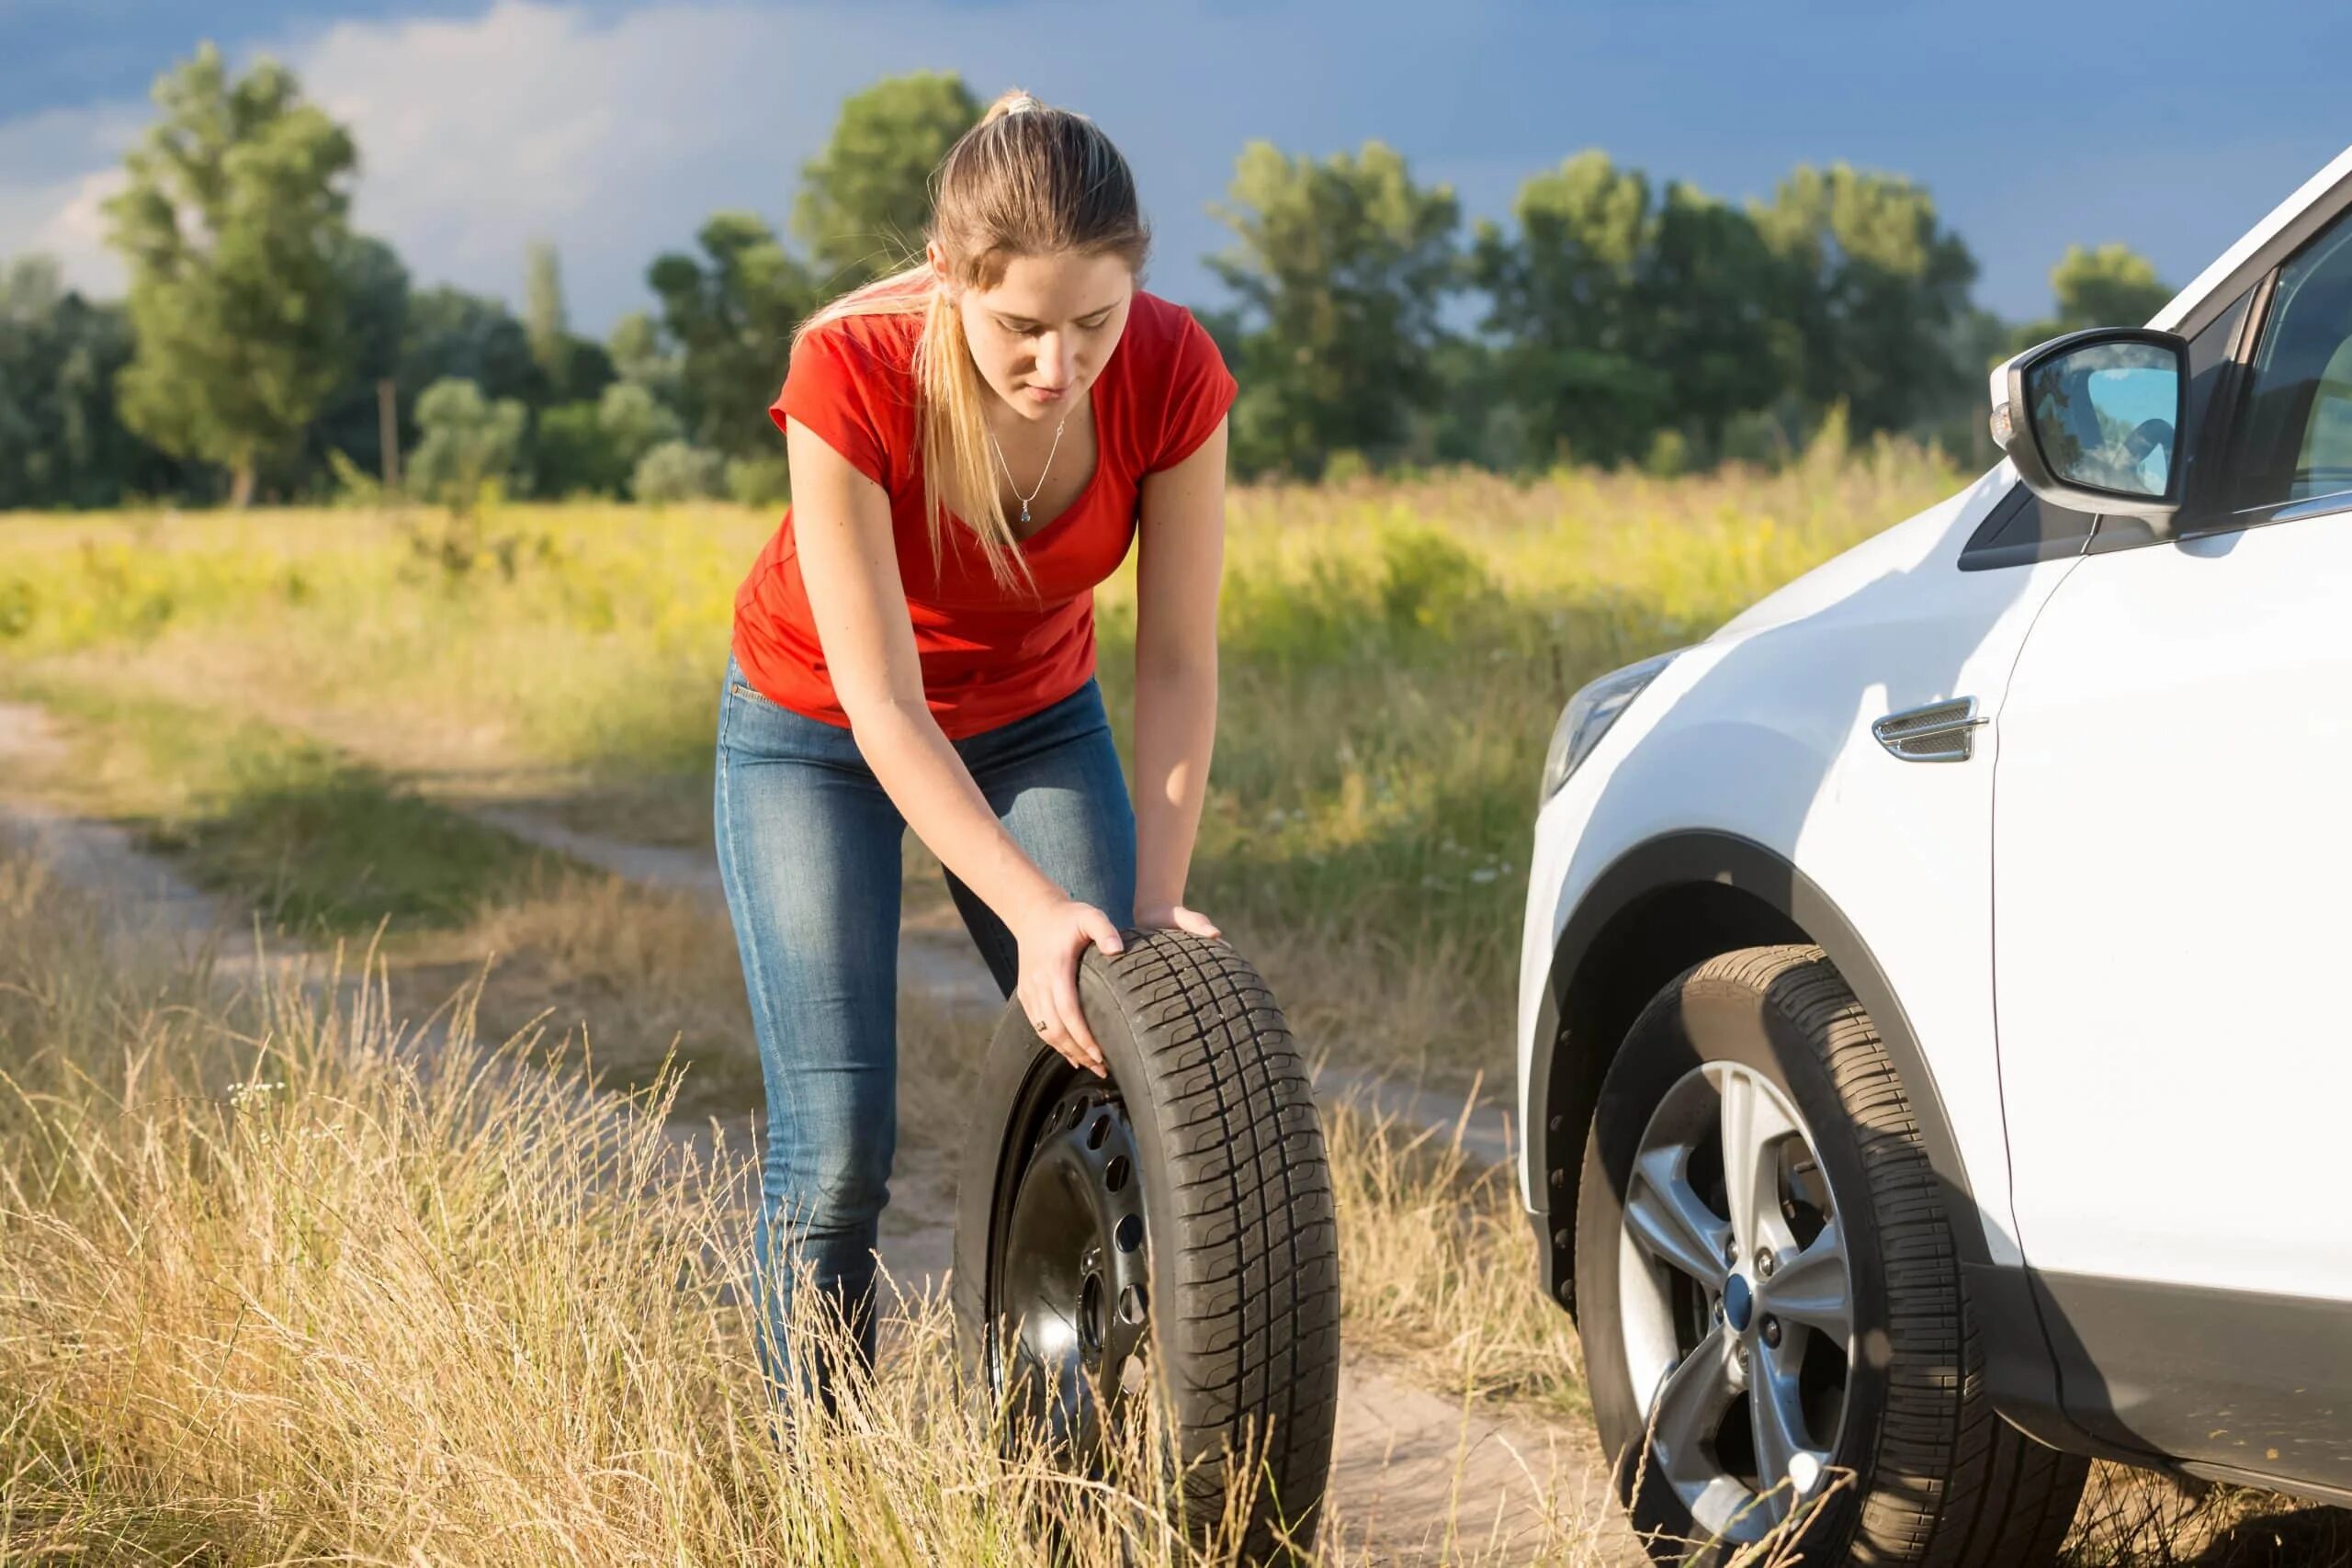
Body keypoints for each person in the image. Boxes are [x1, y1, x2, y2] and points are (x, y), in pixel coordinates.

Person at [715, 87, 1238, 1413]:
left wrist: (1150, 907)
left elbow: (1175, 660)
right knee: (838, 1155)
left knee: (1108, 1058)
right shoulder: (849, 371)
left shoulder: (1176, 373)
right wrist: (1031, 905)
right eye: (1019, 328)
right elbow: (884, 702)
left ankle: (1050, 1448)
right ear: (948, 279)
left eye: (1094, 324)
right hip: (816, 726)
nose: (1060, 366)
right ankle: (818, 1491)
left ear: (1139, 290)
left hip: (1032, 715)